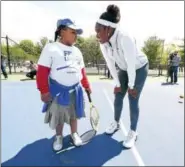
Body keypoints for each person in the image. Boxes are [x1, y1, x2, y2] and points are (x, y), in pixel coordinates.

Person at [95, 4, 149, 148]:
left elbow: (131, 64)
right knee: (118, 95)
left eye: (98, 31)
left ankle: (133, 131)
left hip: (138, 68)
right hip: (124, 69)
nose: (97, 35)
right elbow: (111, 65)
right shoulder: (103, 43)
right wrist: (118, 84)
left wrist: (131, 86)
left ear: (108, 28)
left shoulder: (125, 37)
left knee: (133, 98)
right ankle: (116, 123)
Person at [36, 18, 91, 151]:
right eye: (73, 31)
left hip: (75, 90)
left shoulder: (77, 51)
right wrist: (43, 90)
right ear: (62, 31)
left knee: (74, 115)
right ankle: (59, 136)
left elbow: (82, 71)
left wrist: (87, 85)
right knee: (59, 117)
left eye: (76, 32)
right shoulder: (51, 48)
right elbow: (42, 71)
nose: (75, 35)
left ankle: (74, 134)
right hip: (58, 91)